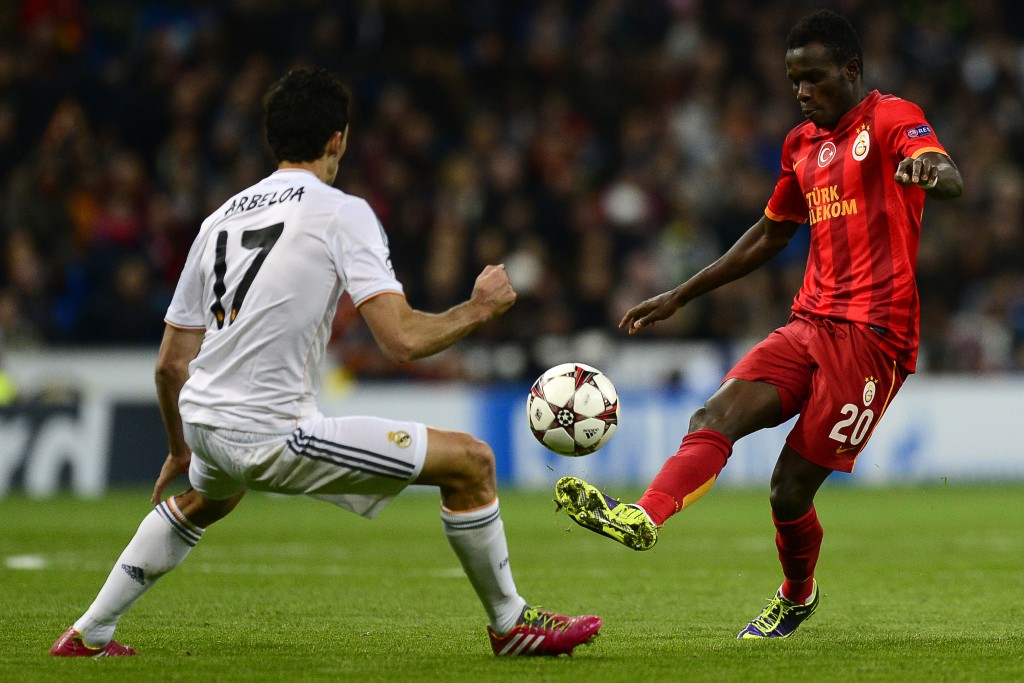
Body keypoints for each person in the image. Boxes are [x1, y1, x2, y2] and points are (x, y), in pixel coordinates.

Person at [50, 66, 600, 658]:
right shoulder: (342, 212)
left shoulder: (219, 220)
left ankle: (89, 633)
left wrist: (181, 447)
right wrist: (478, 308)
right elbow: (401, 340)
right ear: (338, 139)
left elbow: (170, 363)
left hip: (205, 420)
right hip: (268, 432)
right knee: (472, 462)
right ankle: (511, 624)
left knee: (208, 499)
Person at [554, 8, 962, 640]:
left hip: (874, 341)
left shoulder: (890, 119)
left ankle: (797, 596)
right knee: (713, 417)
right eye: (794, 79)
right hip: (807, 324)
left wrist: (928, 172)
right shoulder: (800, 145)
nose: (802, 91)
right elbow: (771, 233)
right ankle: (643, 516)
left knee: (788, 490)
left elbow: (947, 172)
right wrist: (681, 294)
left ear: (851, 70)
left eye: (815, 78)